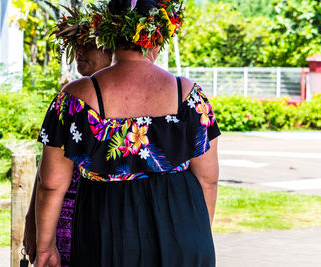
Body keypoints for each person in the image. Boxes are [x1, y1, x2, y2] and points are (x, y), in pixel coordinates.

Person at [34, 0, 220, 266]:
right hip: (185, 233)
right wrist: (199, 235)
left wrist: (45, 248)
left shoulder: (76, 97)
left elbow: (51, 183)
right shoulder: (189, 95)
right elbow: (209, 179)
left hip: (106, 235)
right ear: (159, 36)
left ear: (105, 34)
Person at [22, 9, 112, 266]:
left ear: (111, 49)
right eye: (76, 46)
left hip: (97, 219)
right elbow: (46, 173)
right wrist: (33, 221)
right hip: (61, 216)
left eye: (88, 46)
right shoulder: (71, 98)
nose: (79, 53)